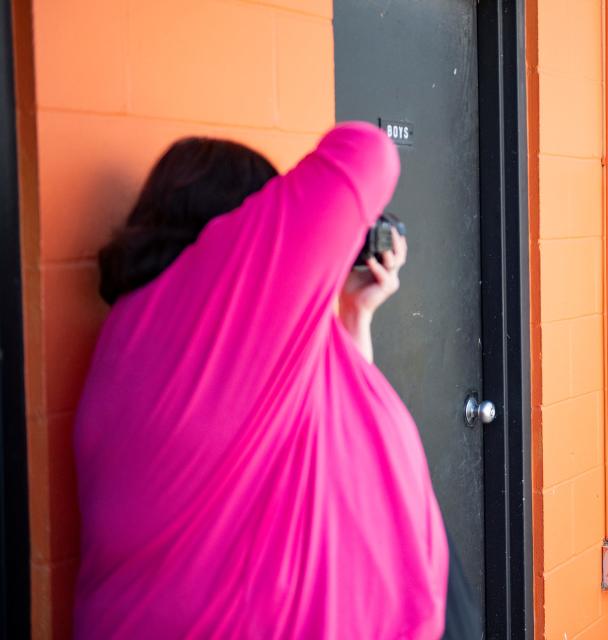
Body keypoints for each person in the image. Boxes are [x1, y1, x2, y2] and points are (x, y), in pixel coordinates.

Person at [74, 123, 476, 638]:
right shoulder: (215, 302)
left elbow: (320, 428)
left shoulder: (149, 335)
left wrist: (354, 314)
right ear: (237, 227)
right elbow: (367, 153)